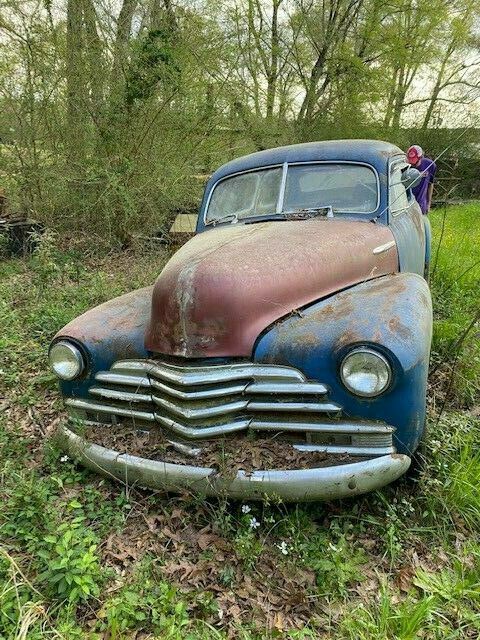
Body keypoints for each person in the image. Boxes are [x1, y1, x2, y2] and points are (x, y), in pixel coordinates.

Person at [406, 145, 436, 214]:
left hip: (421, 205)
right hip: (407, 206)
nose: (412, 165)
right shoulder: (405, 167)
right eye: (410, 162)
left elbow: (430, 184)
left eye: (414, 162)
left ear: (420, 157)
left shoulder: (430, 165)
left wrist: (428, 204)